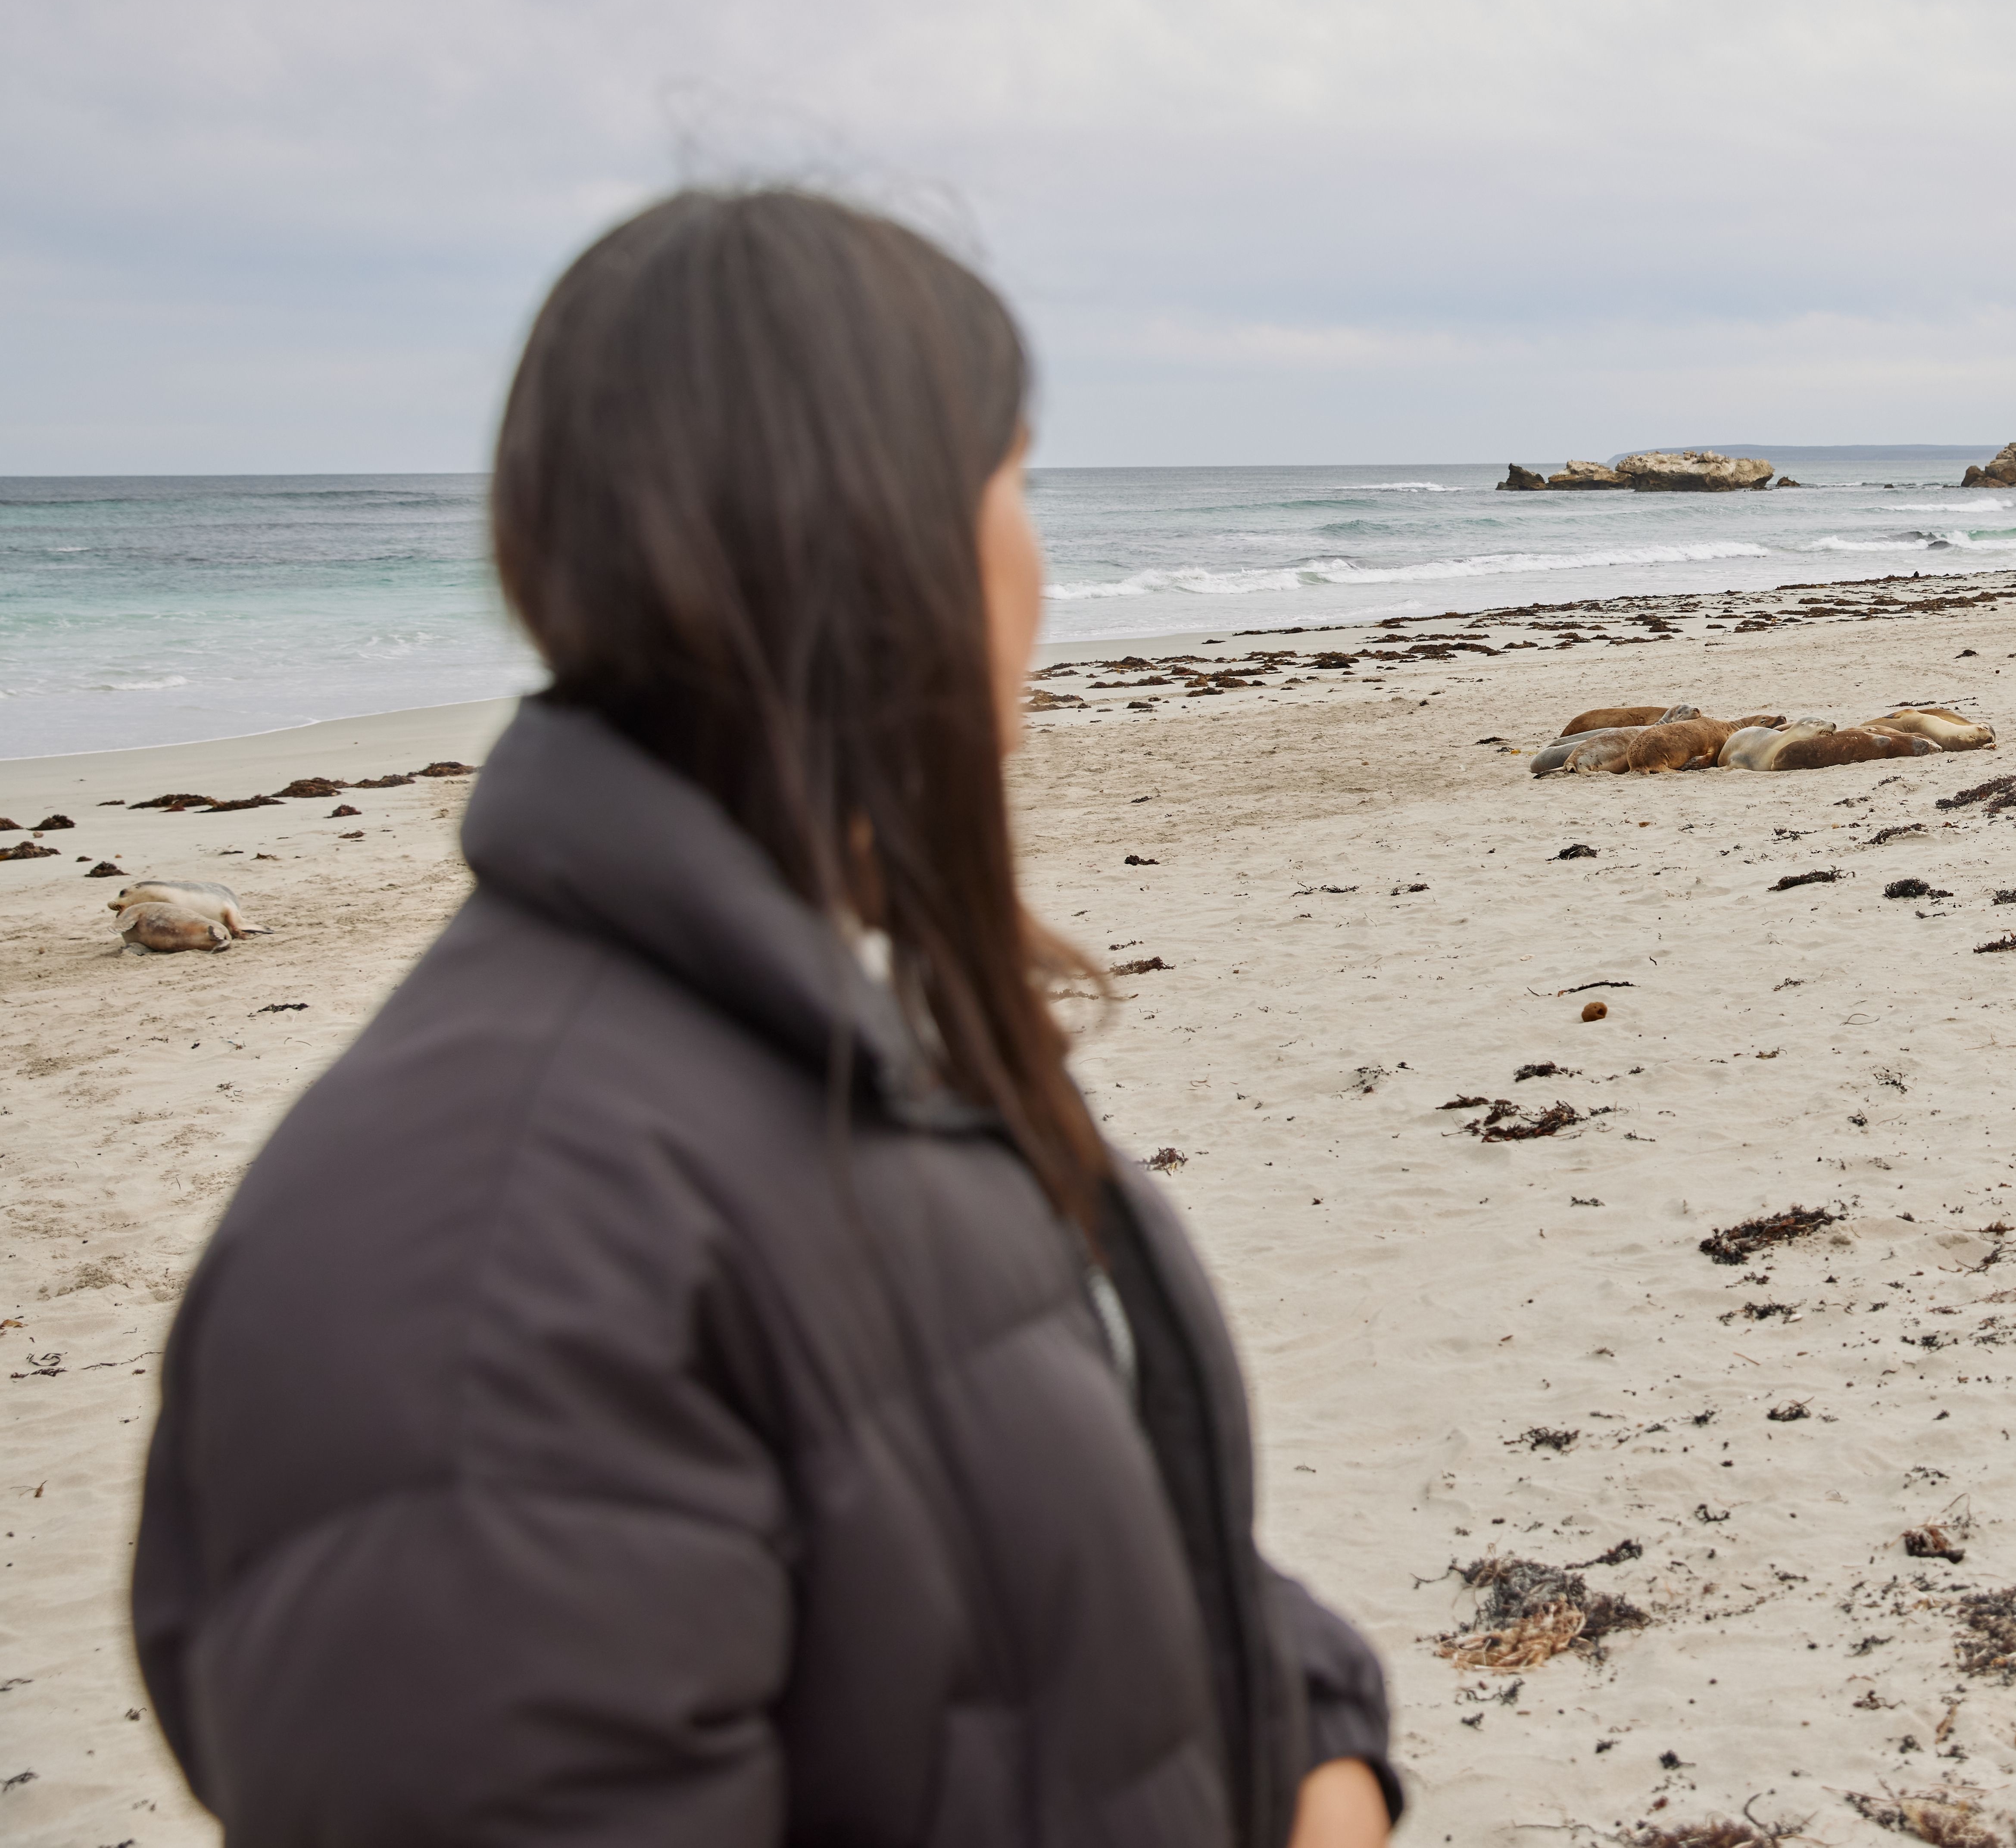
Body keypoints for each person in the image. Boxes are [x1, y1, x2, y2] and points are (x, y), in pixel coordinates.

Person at [132, 190, 1398, 1848]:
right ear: (878, 537)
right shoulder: (489, 1255)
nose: (1042, 559)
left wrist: (1323, 1753)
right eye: (1013, 477)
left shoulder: (860, 1061)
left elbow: (1115, 1572)